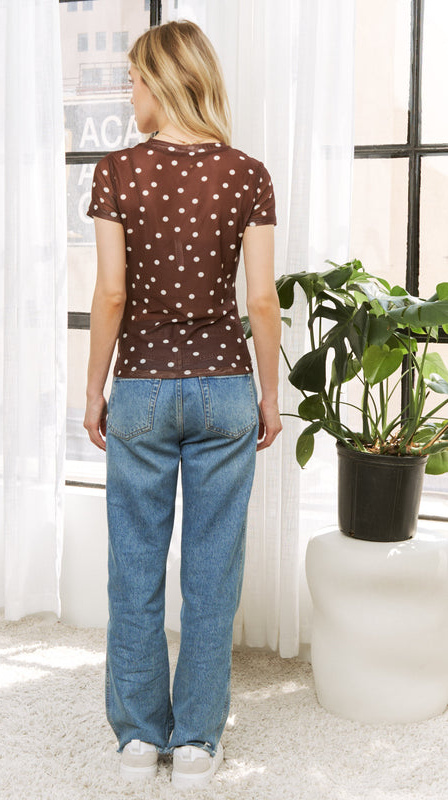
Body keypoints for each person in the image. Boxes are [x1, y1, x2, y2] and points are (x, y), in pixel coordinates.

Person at [83, 19, 282, 790]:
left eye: (134, 79)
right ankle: (196, 742)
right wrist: (269, 394)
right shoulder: (247, 174)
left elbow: (110, 294)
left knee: (133, 567)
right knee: (212, 571)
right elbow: (259, 301)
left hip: (140, 388)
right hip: (225, 389)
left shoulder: (117, 172)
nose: (128, 93)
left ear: (162, 84)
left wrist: (94, 388)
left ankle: (138, 741)